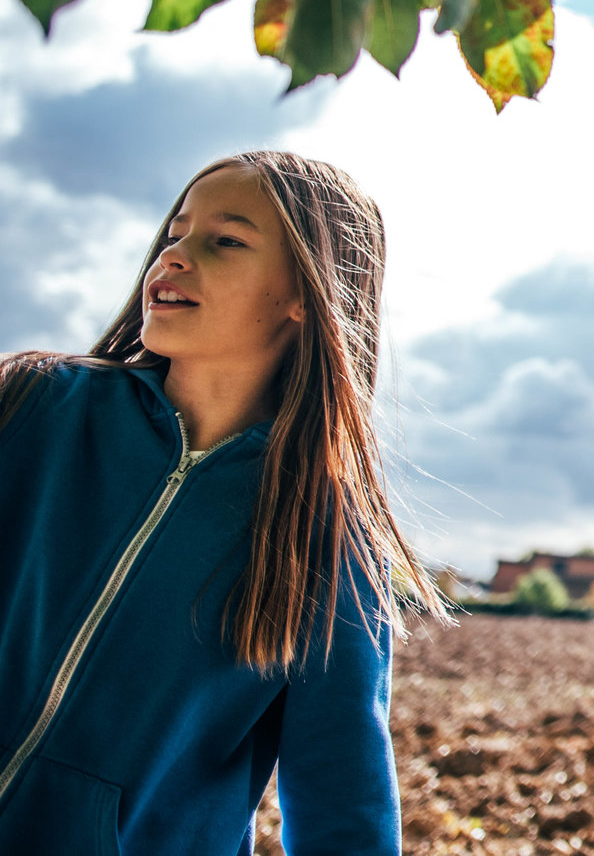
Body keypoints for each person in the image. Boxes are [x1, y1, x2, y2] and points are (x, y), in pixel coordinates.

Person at [0, 151, 441, 853]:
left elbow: (342, 801)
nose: (174, 256)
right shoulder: (34, 407)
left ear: (307, 293)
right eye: (176, 232)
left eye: (224, 240)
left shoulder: (325, 540)